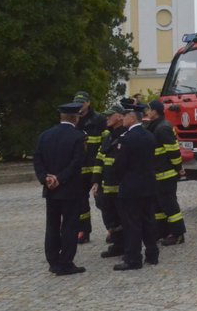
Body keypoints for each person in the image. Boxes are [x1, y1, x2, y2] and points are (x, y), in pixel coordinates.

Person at [33, 102, 87, 275]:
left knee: (52, 226)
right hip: (70, 189)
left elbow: (37, 160)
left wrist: (45, 178)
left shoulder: (44, 135)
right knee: (70, 226)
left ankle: (53, 261)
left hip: (51, 189)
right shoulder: (78, 137)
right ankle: (66, 262)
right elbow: (76, 163)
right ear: (75, 118)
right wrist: (60, 178)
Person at [111, 104, 159, 270]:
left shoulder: (127, 138)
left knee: (131, 223)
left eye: (124, 116)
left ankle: (133, 258)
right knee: (148, 220)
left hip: (131, 187)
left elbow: (119, 165)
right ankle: (152, 254)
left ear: (132, 118)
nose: (123, 119)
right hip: (149, 185)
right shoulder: (149, 135)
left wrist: (119, 179)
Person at [145, 99, 187, 245]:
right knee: (158, 206)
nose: (147, 112)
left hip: (166, 174)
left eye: (149, 109)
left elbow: (173, 152)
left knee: (169, 205)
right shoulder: (155, 126)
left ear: (155, 111)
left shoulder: (162, 128)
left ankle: (178, 234)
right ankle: (161, 232)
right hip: (158, 173)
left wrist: (178, 168)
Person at [92, 102, 128, 259]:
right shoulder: (108, 136)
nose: (107, 117)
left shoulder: (126, 135)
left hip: (121, 186)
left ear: (120, 116)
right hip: (106, 186)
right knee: (110, 217)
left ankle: (128, 246)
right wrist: (95, 181)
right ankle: (117, 244)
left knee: (125, 217)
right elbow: (99, 159)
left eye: (110, 115)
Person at [73, 91, 106, 244]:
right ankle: (83, 231)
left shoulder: (99, 119)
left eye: (82, 102)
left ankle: (113, 229)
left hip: (95, 168)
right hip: (79, 169)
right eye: (77, 102)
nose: (80, 106)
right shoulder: (73, 119)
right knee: (80, 202)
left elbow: (106, 143)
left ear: (88, 103)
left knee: (102, 201)